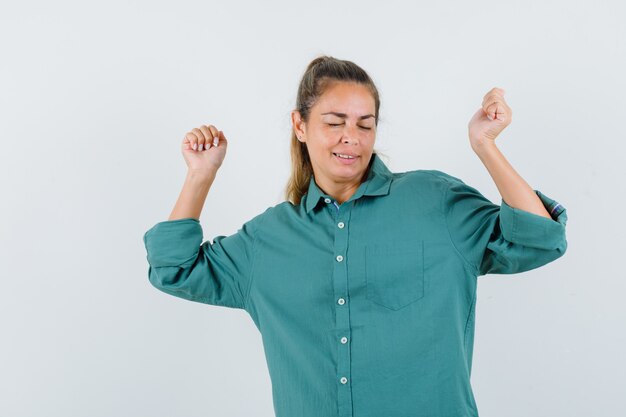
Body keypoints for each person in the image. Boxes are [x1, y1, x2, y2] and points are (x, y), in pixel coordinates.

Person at [143, 55, 568, 417]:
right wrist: (200, 176)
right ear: (300, 125)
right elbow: (174, 270)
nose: (352, 138)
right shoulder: (266, 240)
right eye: (334, 122)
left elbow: (540, 239)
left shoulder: (434, 202)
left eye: (365, 125)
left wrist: (485, 145)